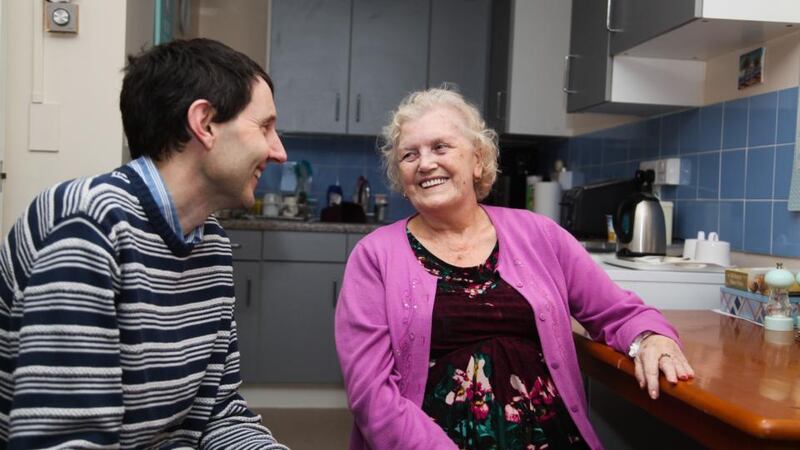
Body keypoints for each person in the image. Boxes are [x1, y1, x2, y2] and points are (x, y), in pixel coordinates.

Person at [334, 88, 694, 450]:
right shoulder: (375, 256)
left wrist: (651, 337)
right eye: (409, 155)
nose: (425, 163)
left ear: (477, 161)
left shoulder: (540, 234)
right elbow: (371, 395)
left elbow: (616, 311)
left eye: (440, 147)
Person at [0, 39, 289, 449]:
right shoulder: (87, 225)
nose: (279, 152)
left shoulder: (212, 245)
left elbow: (218, 413)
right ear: (204, 123)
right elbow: (66, 441)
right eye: (265, 127)